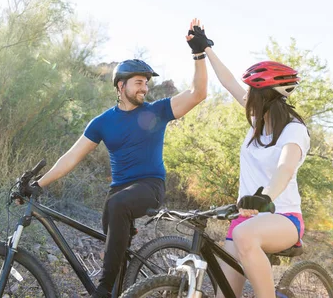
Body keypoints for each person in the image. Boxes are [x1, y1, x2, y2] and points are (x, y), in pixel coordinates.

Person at [32, 19, 211, 297]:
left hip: (150, 187)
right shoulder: (102, 122)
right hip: (120, 192)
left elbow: (198, 93)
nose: (145, 88)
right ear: (120, 85)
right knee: (114, 232)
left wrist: (198, 53)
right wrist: (39, 184)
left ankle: (102, 291)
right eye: (139, 82)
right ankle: (116, 288)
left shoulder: (157, 111)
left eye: (146, 83)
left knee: (116, 206)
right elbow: (71, 157)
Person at [202, 44, 310, 298]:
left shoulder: (294, 130)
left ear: (266, 97)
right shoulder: (256, 123)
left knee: (243, 233)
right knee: (225, 294)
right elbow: (228, 81)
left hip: (283, 217)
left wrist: (266, 197)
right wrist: (205, 48)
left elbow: (285, 168)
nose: (246, 95)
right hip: (246, 219)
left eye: (252, 91)